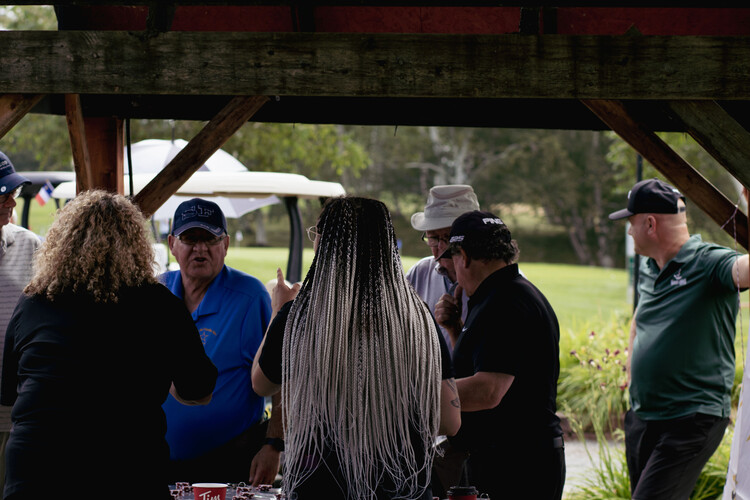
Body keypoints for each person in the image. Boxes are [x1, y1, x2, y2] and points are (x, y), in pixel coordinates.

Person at [0, 190, 217, 500]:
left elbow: (9, 390)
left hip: (35, 472)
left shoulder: (34, 301)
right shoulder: (159, 305)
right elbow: (199, 390)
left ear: (63, 244)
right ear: (135, 245)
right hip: (127, 472)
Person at [251, 196, 461, 500]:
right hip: (402, 489)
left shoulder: (299, 316)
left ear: (323, 243)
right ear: (388, 246)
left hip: (318, 488)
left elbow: (261, 383)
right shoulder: (417, 319)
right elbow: (449, 421)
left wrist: (277, 312)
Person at [608, 178, 749, 500]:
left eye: (631, 223)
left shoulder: (710, 262)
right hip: (644, 416)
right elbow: (640, 317)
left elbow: (745, 269)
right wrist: (633, 372)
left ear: (650, 223)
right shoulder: (649, 266)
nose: (629, 232)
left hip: (692, 417)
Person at [439, 210, 565, 500]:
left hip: (517, 464)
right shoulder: (508, 294)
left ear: (464, 256)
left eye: (452, 259)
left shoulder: (505, 303)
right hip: (515, 457)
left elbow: (488, 391)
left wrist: (409, 400)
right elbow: (486, 367)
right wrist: (455, 331)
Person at [161, 198, 282, 485]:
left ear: (225, 245)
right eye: (190, 238)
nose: (200, 248)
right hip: (160, 462)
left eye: (210, 238)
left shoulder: (250, 297)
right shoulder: (157, 292)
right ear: (172, 245)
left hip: (230, 462)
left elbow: (281, 376)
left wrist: (274, 444)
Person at [0, 153, 40, 496]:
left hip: (14, 410)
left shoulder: (31, 246)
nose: (11, 201)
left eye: (12, 192)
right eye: (2, 194)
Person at [407, 184, 479, 351]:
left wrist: (455, 329)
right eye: (433, 238)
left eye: (448, 238)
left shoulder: (501, 282)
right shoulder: (420, 272)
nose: (440, 247)